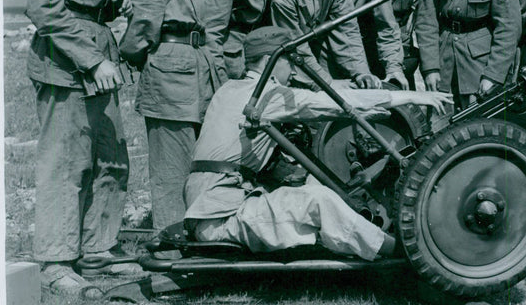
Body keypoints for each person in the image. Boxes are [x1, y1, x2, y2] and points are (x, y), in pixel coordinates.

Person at [183, 27, 452, 258]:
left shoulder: (228, 90)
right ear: (269, 61)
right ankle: (402, 252)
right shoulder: (266, 95)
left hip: (210, 205)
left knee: (314, 184)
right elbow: (324, 103)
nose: (293, 69)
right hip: (220, 217)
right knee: (319, 200)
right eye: (289, 61)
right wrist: (406, 97)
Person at [26, 0, 138, 291]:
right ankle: (55, 263)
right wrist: (92, 61)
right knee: (65, 162)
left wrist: (110, 4)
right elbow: (44, 8)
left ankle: (97, 250)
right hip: (66, 66)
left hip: (94, 60)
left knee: (108, 157)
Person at [119, 0, 221, 237]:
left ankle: (194, 236)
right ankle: (171, 241)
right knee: (170, 170)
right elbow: (138, 39)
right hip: (169, 83)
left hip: (195, 78)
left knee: (196, 162)